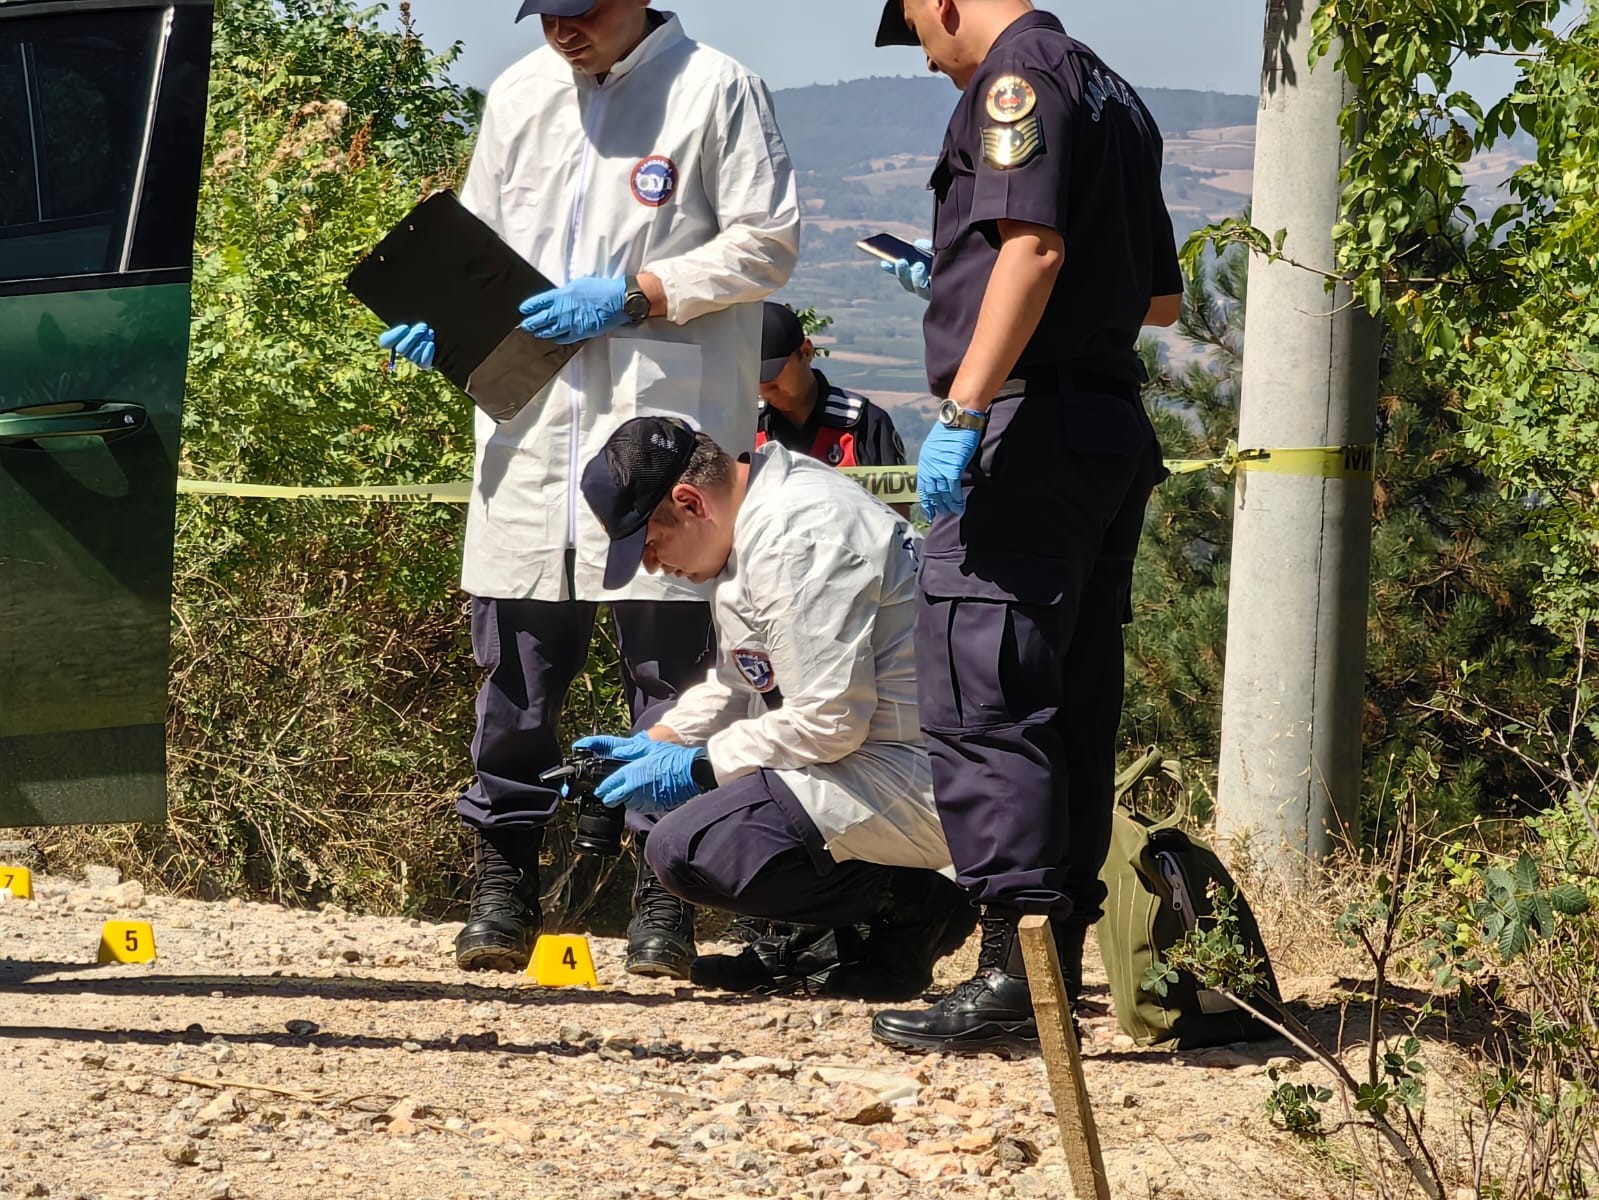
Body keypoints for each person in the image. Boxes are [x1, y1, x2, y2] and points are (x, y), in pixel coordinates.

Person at [378, 0, 801, 978]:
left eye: (582, 11)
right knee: (517, 681)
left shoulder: (714, 90)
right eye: (546, 13)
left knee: (674, 682)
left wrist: (639, 293)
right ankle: (503, 885)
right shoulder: (520, 94)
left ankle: (667, 898)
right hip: (527, 438)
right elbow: (475, 249)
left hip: (659, 437)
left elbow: (768, 242)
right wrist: (437, 320)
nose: (562, 30)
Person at [866, 0, 1183, 1056]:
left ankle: (1010, 971)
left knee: (986, 691)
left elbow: (1036, 249)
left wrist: (963, 405)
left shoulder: (1015, 80)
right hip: (1102, 426)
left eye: (915, 23)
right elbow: (1156, 302)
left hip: (1029, 427)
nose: (923, 52)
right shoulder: (1112, 90)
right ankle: (1046, 965)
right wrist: (956, 267)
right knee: (1067, 698)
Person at [571, 416, 976, 1000]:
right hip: (878, 752)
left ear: (689, 502)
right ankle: (836, 940)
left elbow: (827, 721)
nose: (653, 566)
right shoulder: (758, 516)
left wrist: (697, 766)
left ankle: (919, 909)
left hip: (924, 774)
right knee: (692, 767)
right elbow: (743, 682)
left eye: (651, 544)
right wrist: (659, 739)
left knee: (691, 848)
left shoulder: (799, 537)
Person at [756, 303, 906, 469]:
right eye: (756, 376)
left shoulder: (865, 425)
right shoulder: (747, 425)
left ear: (806, 351)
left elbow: (894, 493)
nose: (765, 387)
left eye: (774, 371)